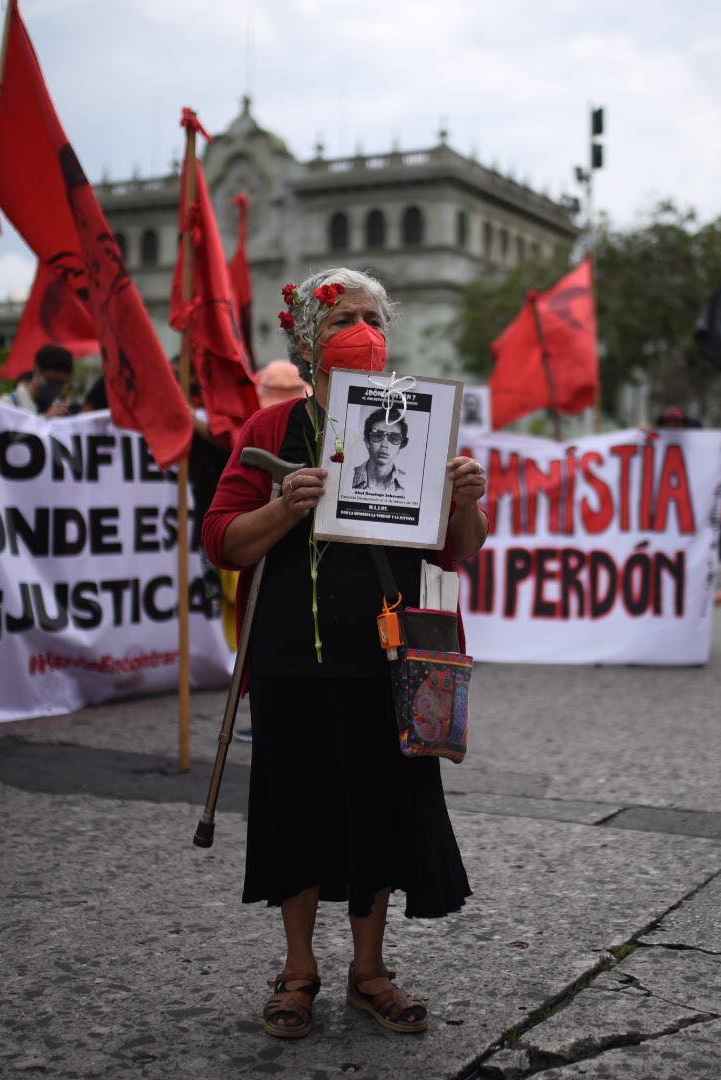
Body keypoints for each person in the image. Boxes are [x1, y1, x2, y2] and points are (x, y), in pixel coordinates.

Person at [203, 267, 488, 1039]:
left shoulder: (420, 421)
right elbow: (223, 541)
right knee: (295, 809)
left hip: (388, 656)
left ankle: (371, 972)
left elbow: (458, 551)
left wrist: (469, 499)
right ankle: (299, 971)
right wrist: (281, 509)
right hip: (292, 654)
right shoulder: (267, 434)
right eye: (342, 320)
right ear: (307, 339)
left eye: (371, 317)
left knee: (377, 812)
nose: (361, 330)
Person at [0, 344, 74, 417]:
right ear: (36, 371)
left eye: (61, 383)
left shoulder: (62, 407)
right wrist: (45, 420)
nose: (56, 388)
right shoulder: (8, 405)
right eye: (51, 381)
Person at [351, 408, 411, 496]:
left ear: (401, 446)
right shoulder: (347, 476)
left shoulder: (410, 483)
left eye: (394, 438)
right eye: (377, 436)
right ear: (367, 441)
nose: (384, 444)